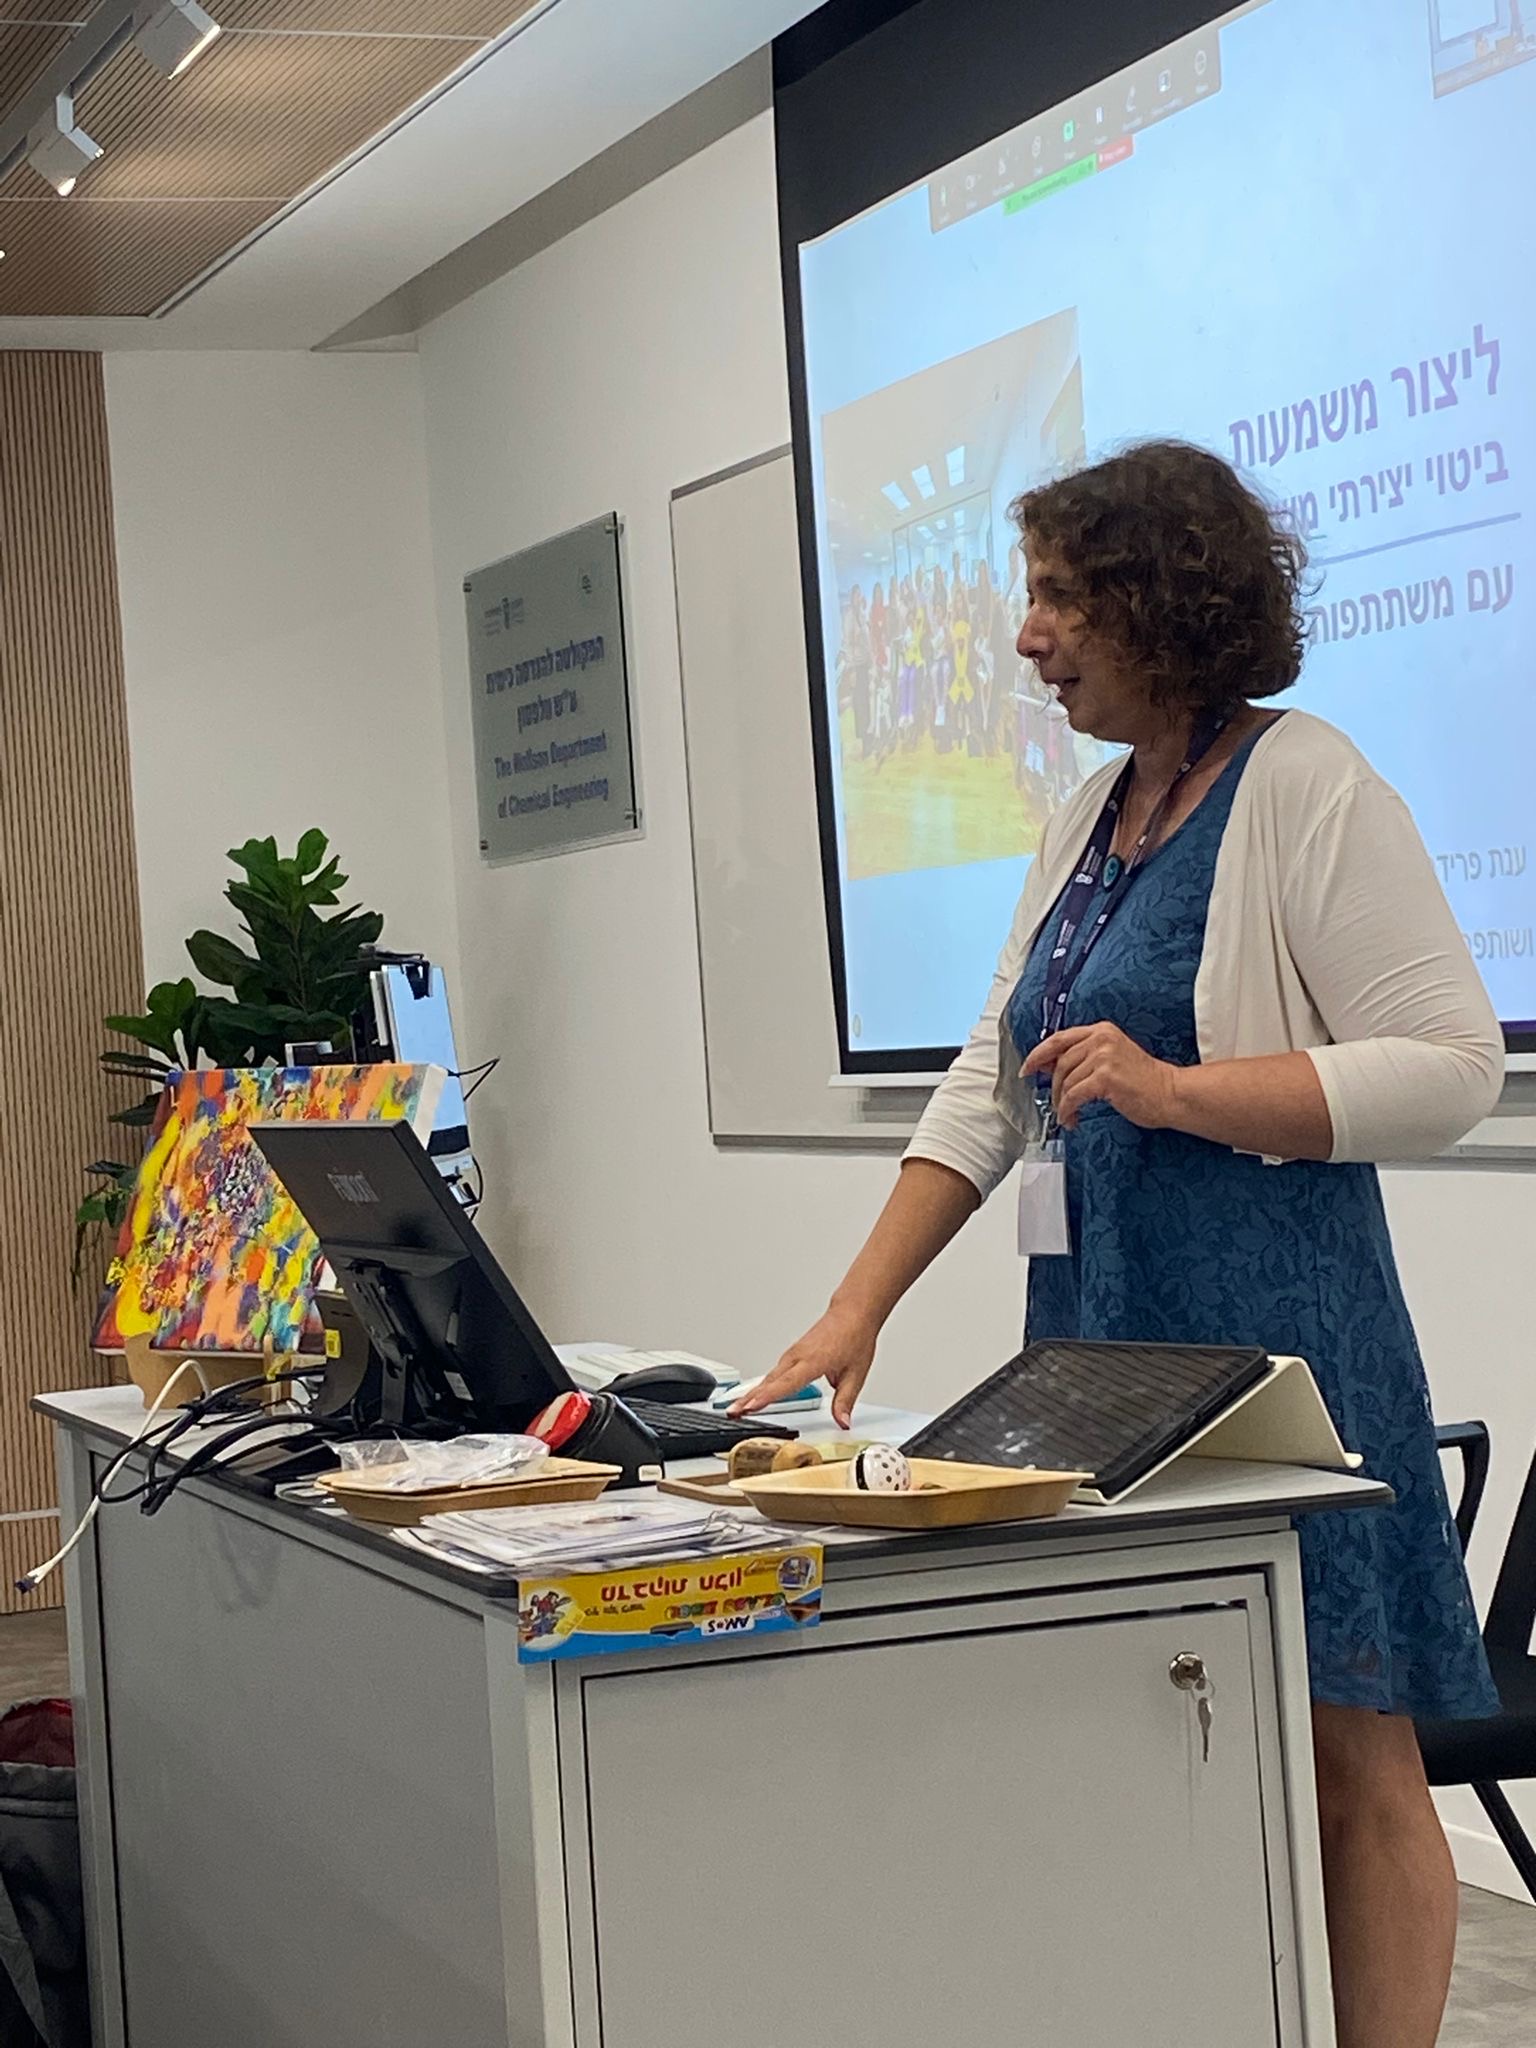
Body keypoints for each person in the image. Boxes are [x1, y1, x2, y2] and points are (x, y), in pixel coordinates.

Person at [738, 441, 1504, 2048]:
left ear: (1165, 600)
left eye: (1060, 599)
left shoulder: (1307, 783)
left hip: (1283, 1346)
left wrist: (1176, 1090)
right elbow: (993, 1076)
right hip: (1100, 1341)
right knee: (1157, 1715)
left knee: (1350, 1756)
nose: (1027, 638)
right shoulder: (1091, 814)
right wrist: (855, 1310)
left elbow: (1454, 1067)